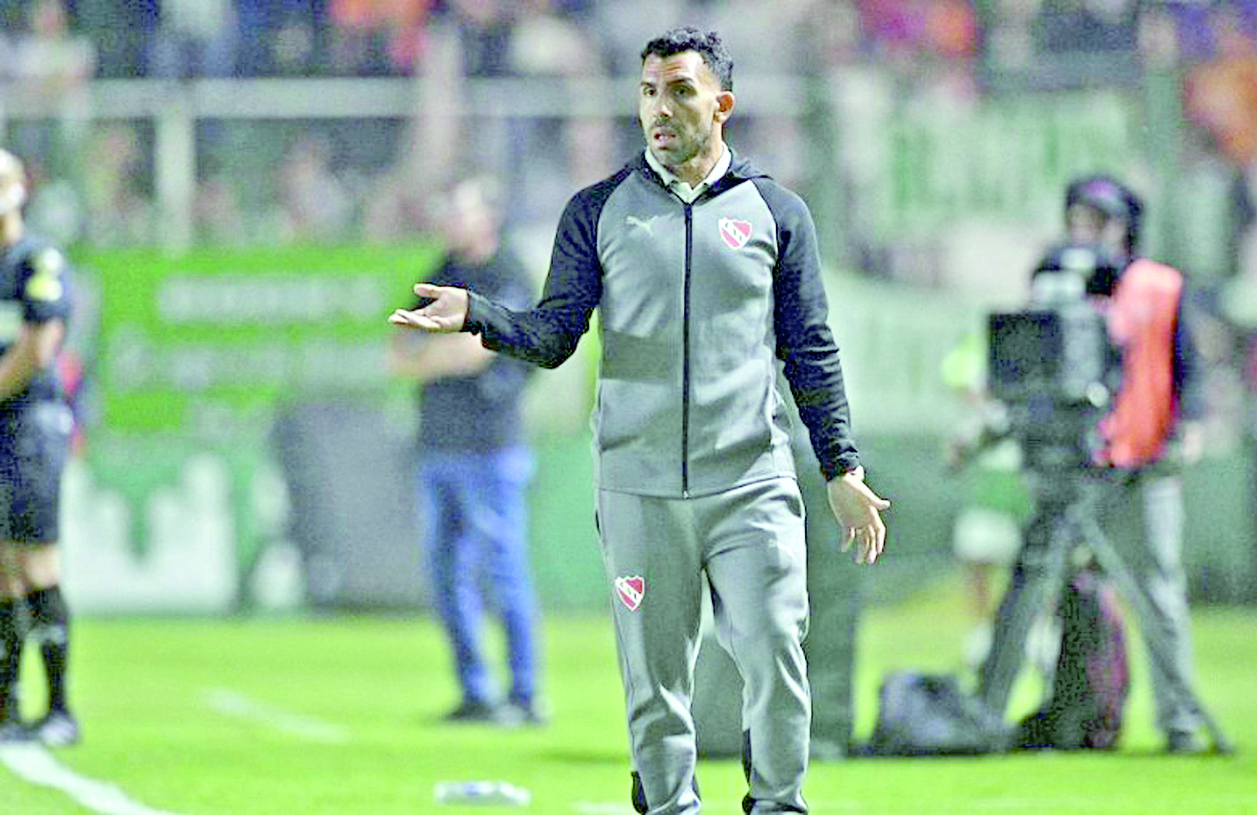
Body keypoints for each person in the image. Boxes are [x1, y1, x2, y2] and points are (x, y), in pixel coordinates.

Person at [391, 27, 890, 814]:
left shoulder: (776, 213)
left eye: (681, 91)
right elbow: (554, 335)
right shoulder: (597, 212)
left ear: (722, 105)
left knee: (774, 650)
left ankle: (778, 803)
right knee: (655, 681)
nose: (661, 107)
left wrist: (842, 467)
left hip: (751, 482)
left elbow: (811, 349)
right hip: (638, 488)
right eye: (649, 91)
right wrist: (480, 314)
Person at [977, 174, 1209, 754]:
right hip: (1072, 462)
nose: (1087, 230)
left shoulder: (1158, 286)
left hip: (1143, 461)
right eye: (1078, 217)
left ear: (1126, 227)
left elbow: (1186, 366)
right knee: (1043, 587)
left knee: (1157, 589)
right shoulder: (1055, 277)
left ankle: (1179, 721)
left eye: (1099, 219)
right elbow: (1030, 355)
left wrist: (1189, 428)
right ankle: (993, 715)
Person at [388, 175, 544, 726]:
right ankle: (476, 692)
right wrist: (440, 354)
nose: (450, 220)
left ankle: (525, 696)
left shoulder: (508, 275)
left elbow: (477, 351)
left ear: (490, 217)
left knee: (503, 570)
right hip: (438, 445)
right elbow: (397, 351)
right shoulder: (441, 271)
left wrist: (432, 356)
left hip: (491, 445)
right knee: (448, 575)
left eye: (461, 209)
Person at [0, 148, 78, 746]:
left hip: (29, 425)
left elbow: (38, 349)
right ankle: (6, 706)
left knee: (35, 561)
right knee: (3, 569)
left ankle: (58, 710)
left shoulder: (35, 261)